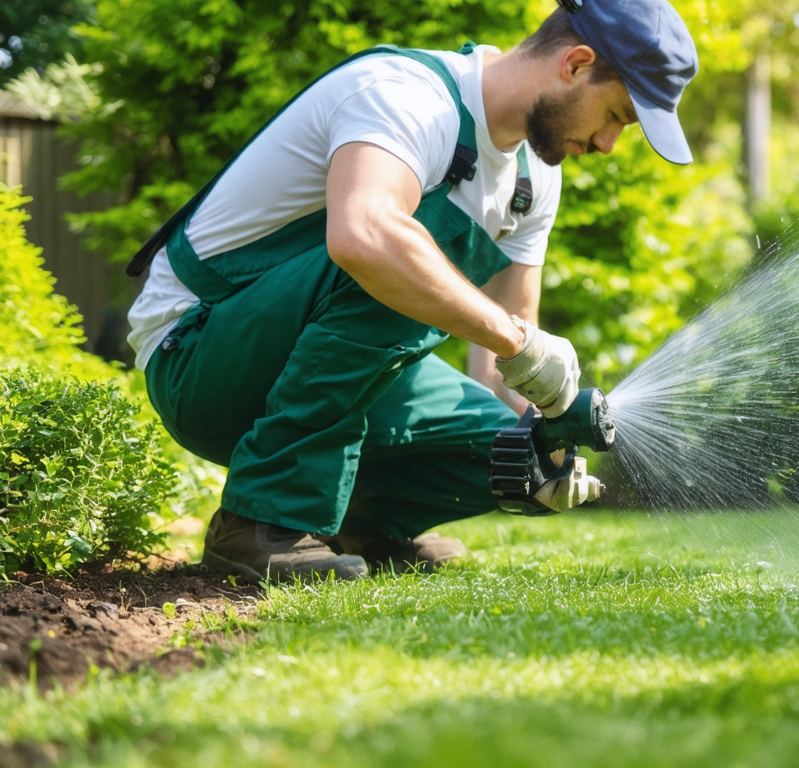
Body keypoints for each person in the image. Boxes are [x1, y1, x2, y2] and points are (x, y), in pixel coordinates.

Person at [123, 0, 699, 581]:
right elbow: (364, 236)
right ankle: (259, 520)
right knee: (394, 257)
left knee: (510, 452)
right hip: (200, 350)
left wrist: (547, 442)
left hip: (306, 365)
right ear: (576, 65)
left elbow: (505, 363)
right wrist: (518, 340)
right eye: (618, 115)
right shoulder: (407, 95)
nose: (608, 144)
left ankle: (360, 523)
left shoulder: (535, 179)